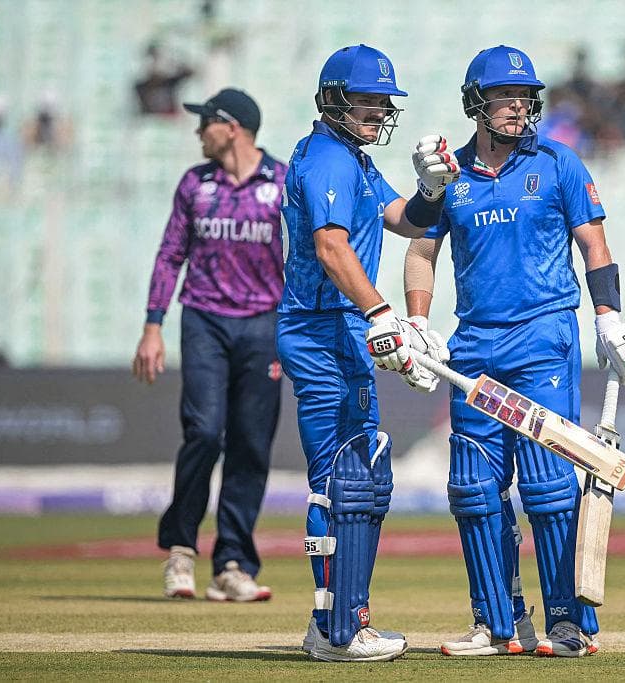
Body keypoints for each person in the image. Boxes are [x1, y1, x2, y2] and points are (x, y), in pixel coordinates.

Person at [403, 46, 625, 658]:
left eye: (524, 97)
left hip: (544, 339)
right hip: (474, 345)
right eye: (505, 98)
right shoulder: (447, 176)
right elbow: (421, 252)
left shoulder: (558, 163)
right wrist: (414, 321)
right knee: (473, 488)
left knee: (547, 487)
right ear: (475, 104)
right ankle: (497, 623)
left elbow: (595, 245)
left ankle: (568, 624)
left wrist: (609, 319)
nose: (518, 108)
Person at [276, 44, 458, 662]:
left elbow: (404, 220)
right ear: (333, 100)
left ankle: (333, 622)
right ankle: (339, 632)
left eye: (386, 102)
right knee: (341, 481)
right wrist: (381, 312)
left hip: (340, 329)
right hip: (321, 328)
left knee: (359, 475)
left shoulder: (350, 158)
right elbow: (331, 248)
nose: (380, 112)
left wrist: (432, 190)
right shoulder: (327, 158)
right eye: (368, 100)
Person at [132, 88, 287, 602]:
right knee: (203, 431)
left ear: (233, 127)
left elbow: (307, 256)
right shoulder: (195, 185)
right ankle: (180, 550)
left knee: (250, 442)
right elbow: (169, 254)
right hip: (204, 320)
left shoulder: (281, 182)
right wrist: (153, 325)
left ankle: (233, 563)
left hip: (263, 324)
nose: (199, 132)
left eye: (206, 123)